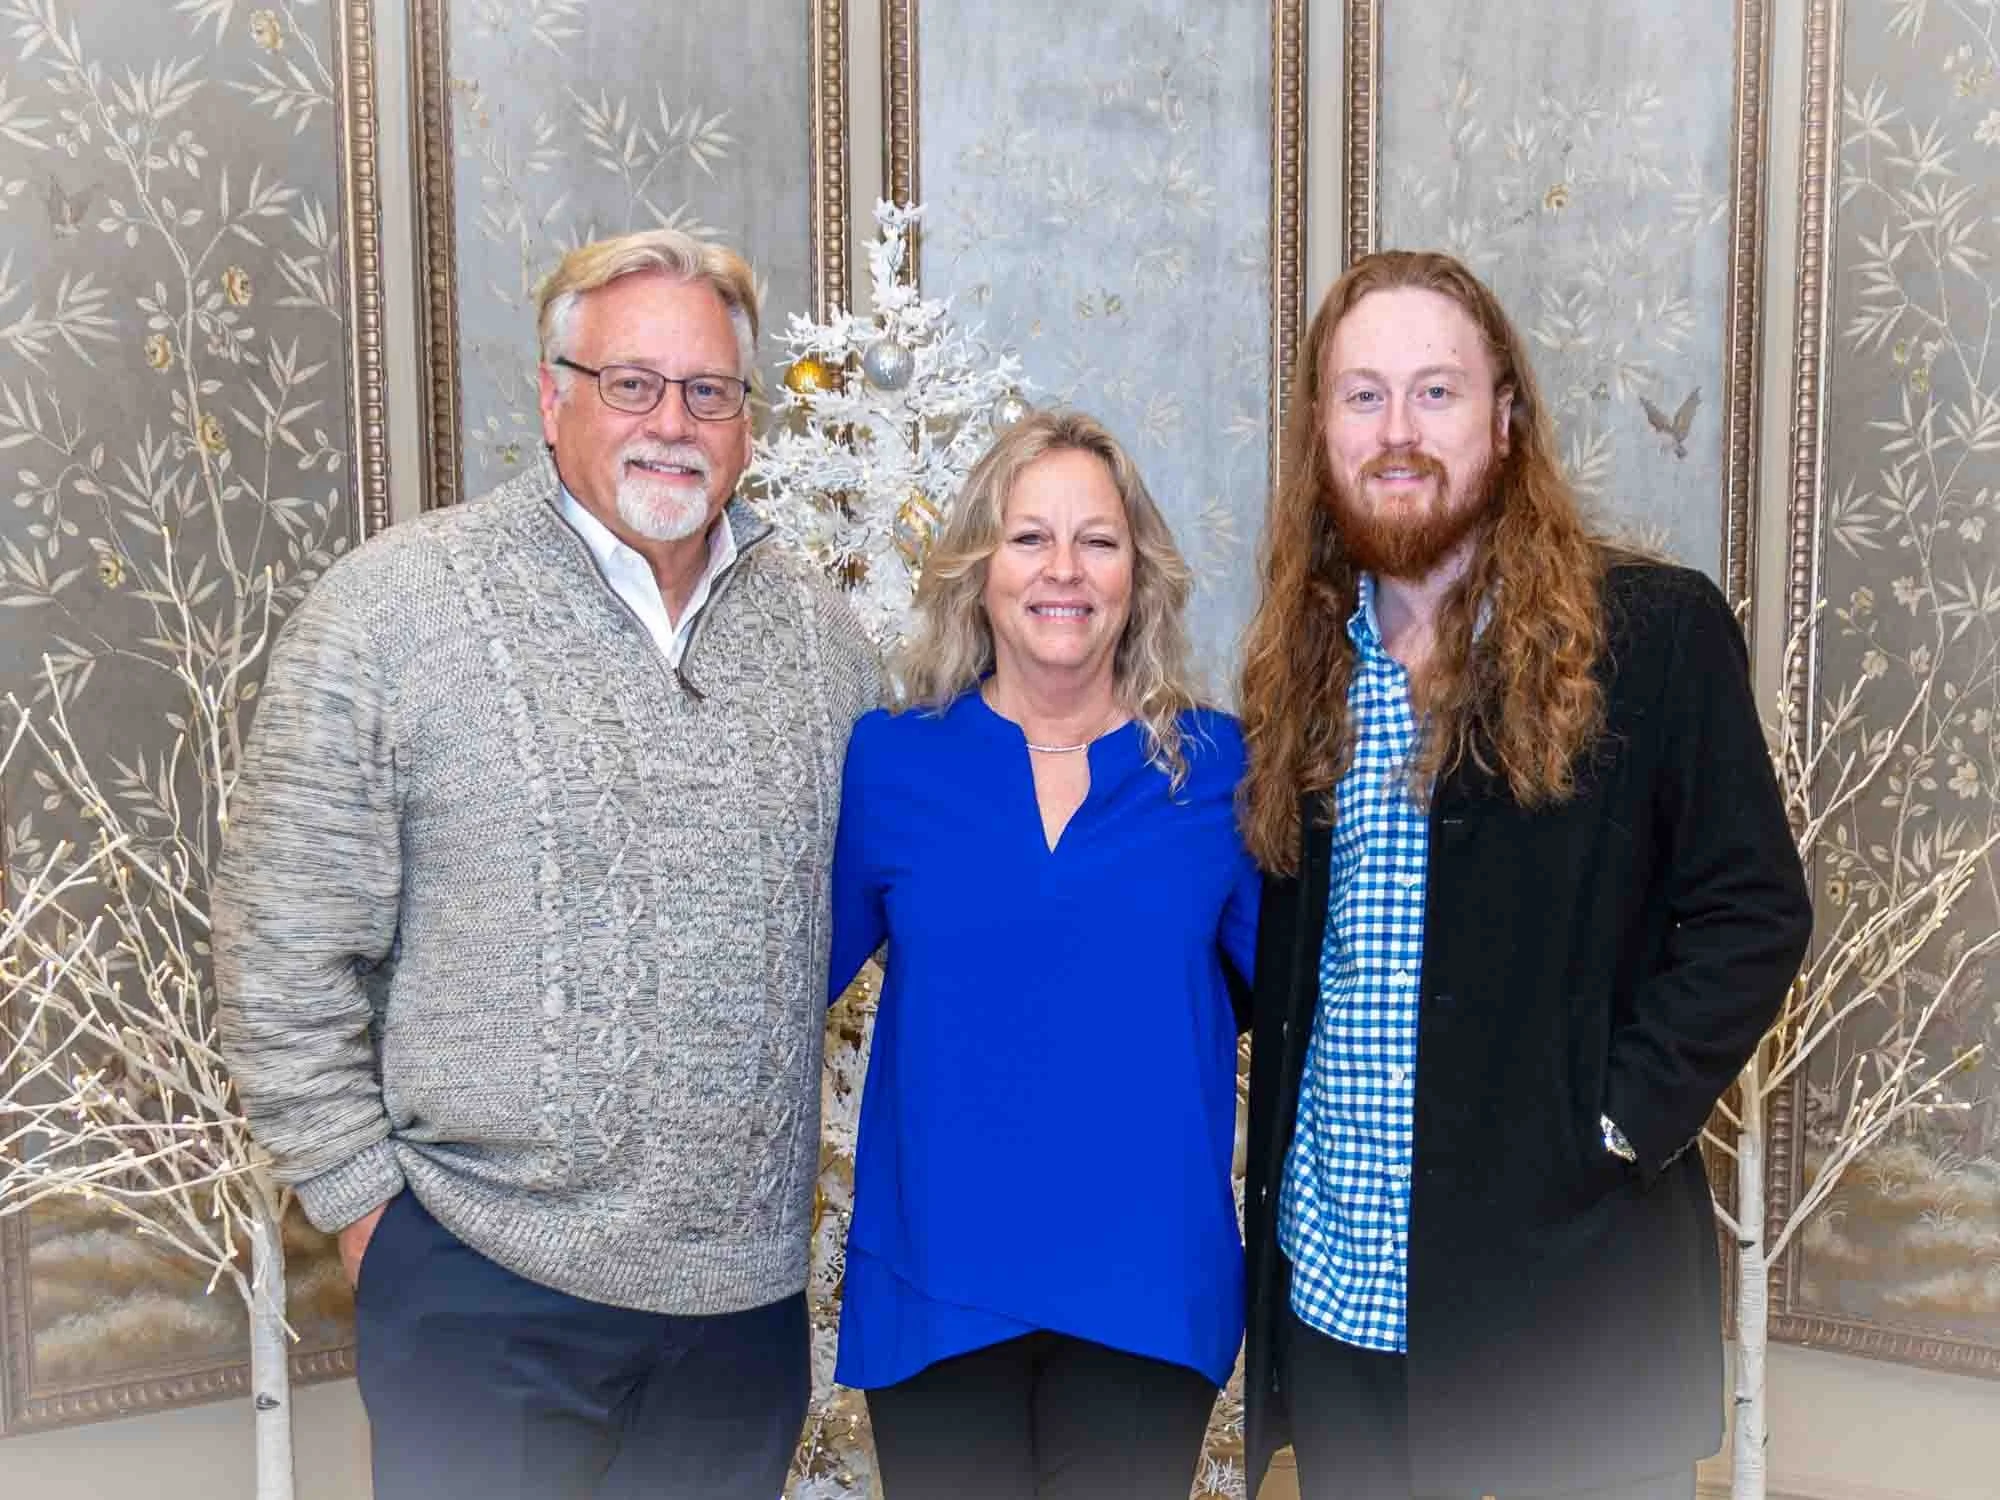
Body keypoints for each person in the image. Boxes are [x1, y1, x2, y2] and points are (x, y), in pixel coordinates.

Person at [212, 229, 878, 1500]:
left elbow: (847, 920)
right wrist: (372, 1220)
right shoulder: (394, 610)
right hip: (480, 1290)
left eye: (708, 391)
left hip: (737, 1323)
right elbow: (278, 950)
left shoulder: (823, 641)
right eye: (630, 383)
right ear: (551, 395)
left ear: (745, 421)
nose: (670, 423)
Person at [1234, 251, 1812, 1500]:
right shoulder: (1299, 671)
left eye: (1434, 392)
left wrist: (1610, 1123)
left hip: (1566, 1315)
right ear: (1319, 432)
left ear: (1503, 417)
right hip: (1339, 1309)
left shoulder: (1648, 636)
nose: (1397, 433)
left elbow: (1753, 910)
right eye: (1361, 396)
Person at [827, 409, 1261, 1499]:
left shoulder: (1219, 769)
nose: (1061, 570)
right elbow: (777, 985)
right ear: (978, 568)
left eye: (1096, 540)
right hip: (938, 1291)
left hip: (1145, 1292)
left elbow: (1299, 1000)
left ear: (1136, 573)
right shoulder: (890, 762)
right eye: (1028, 538)